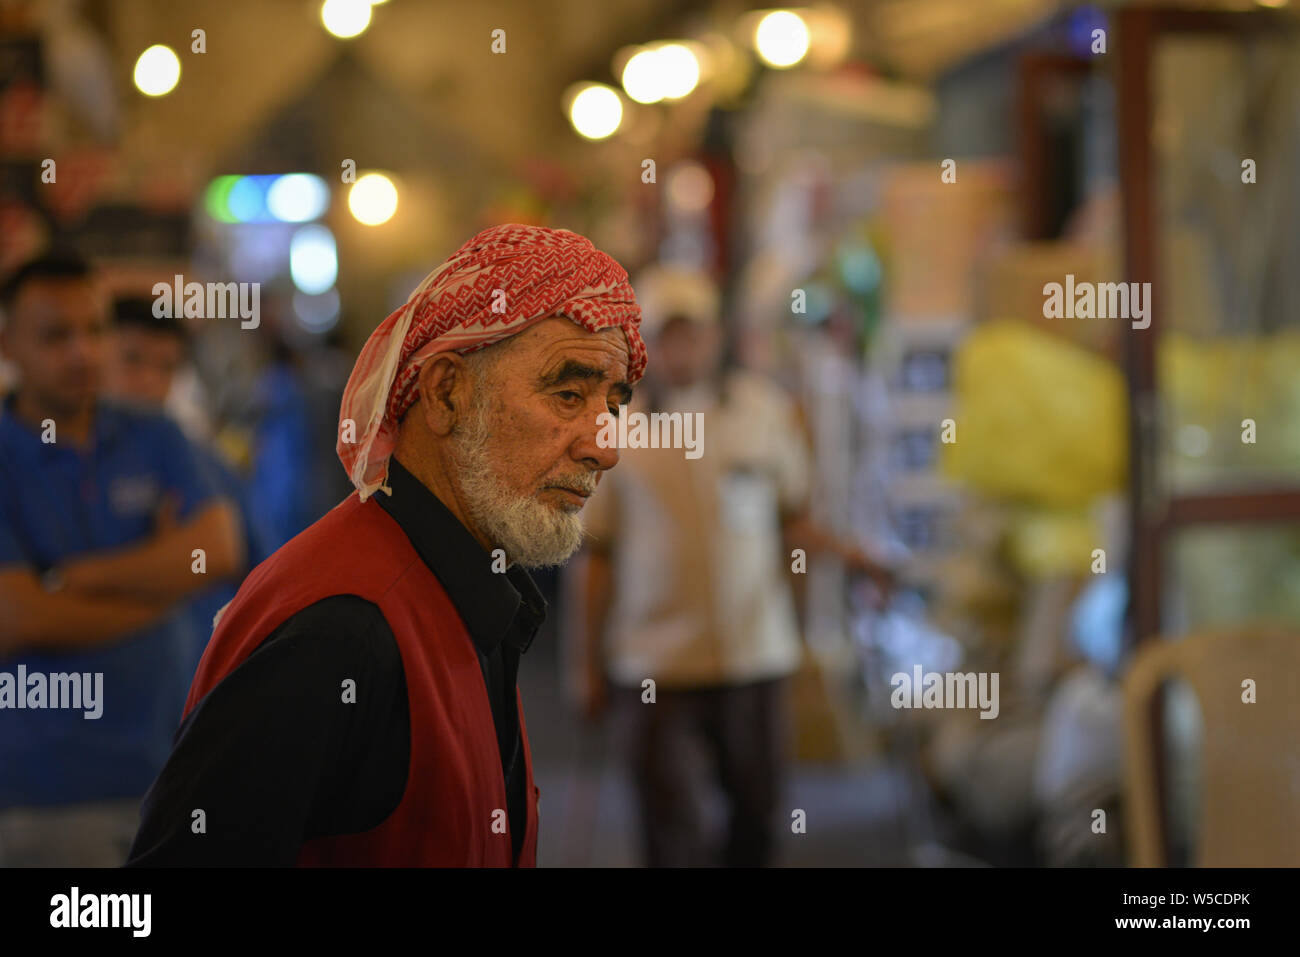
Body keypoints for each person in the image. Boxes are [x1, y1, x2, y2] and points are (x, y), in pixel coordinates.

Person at [126, 223, 646, 867]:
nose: (604, 446)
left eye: (612, 404)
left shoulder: (467, 586)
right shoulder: (342, 627)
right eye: (568, 395)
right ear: (447, 392)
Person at [567, 265, 892, 867]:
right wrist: (585, 665)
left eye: (693, 334)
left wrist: (855, 559)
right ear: (644, 345)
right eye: (667, 336)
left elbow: (791, 520)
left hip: (753, 655)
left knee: (757, 817)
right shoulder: (615, 427)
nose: (682, 349)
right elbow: (599, 555)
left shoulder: (763, 411)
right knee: (670, 828)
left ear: (716, 336)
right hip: (653, 664)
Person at [0, 254, 242, 866]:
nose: (82, 351)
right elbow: (17, 619)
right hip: (38, 796)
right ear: (8, 344)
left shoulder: (154, 434)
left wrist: (67, 581)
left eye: (95, 330)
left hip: (169, 776)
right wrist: (161, 580)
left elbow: (217, 549)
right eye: (56, 335)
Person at [103, 296, 272, 681]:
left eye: (166, 367)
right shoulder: (59, 457)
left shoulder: (209, 465)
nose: (149, 381)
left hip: (198, 687)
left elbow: (260, 578)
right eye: (132, 360)